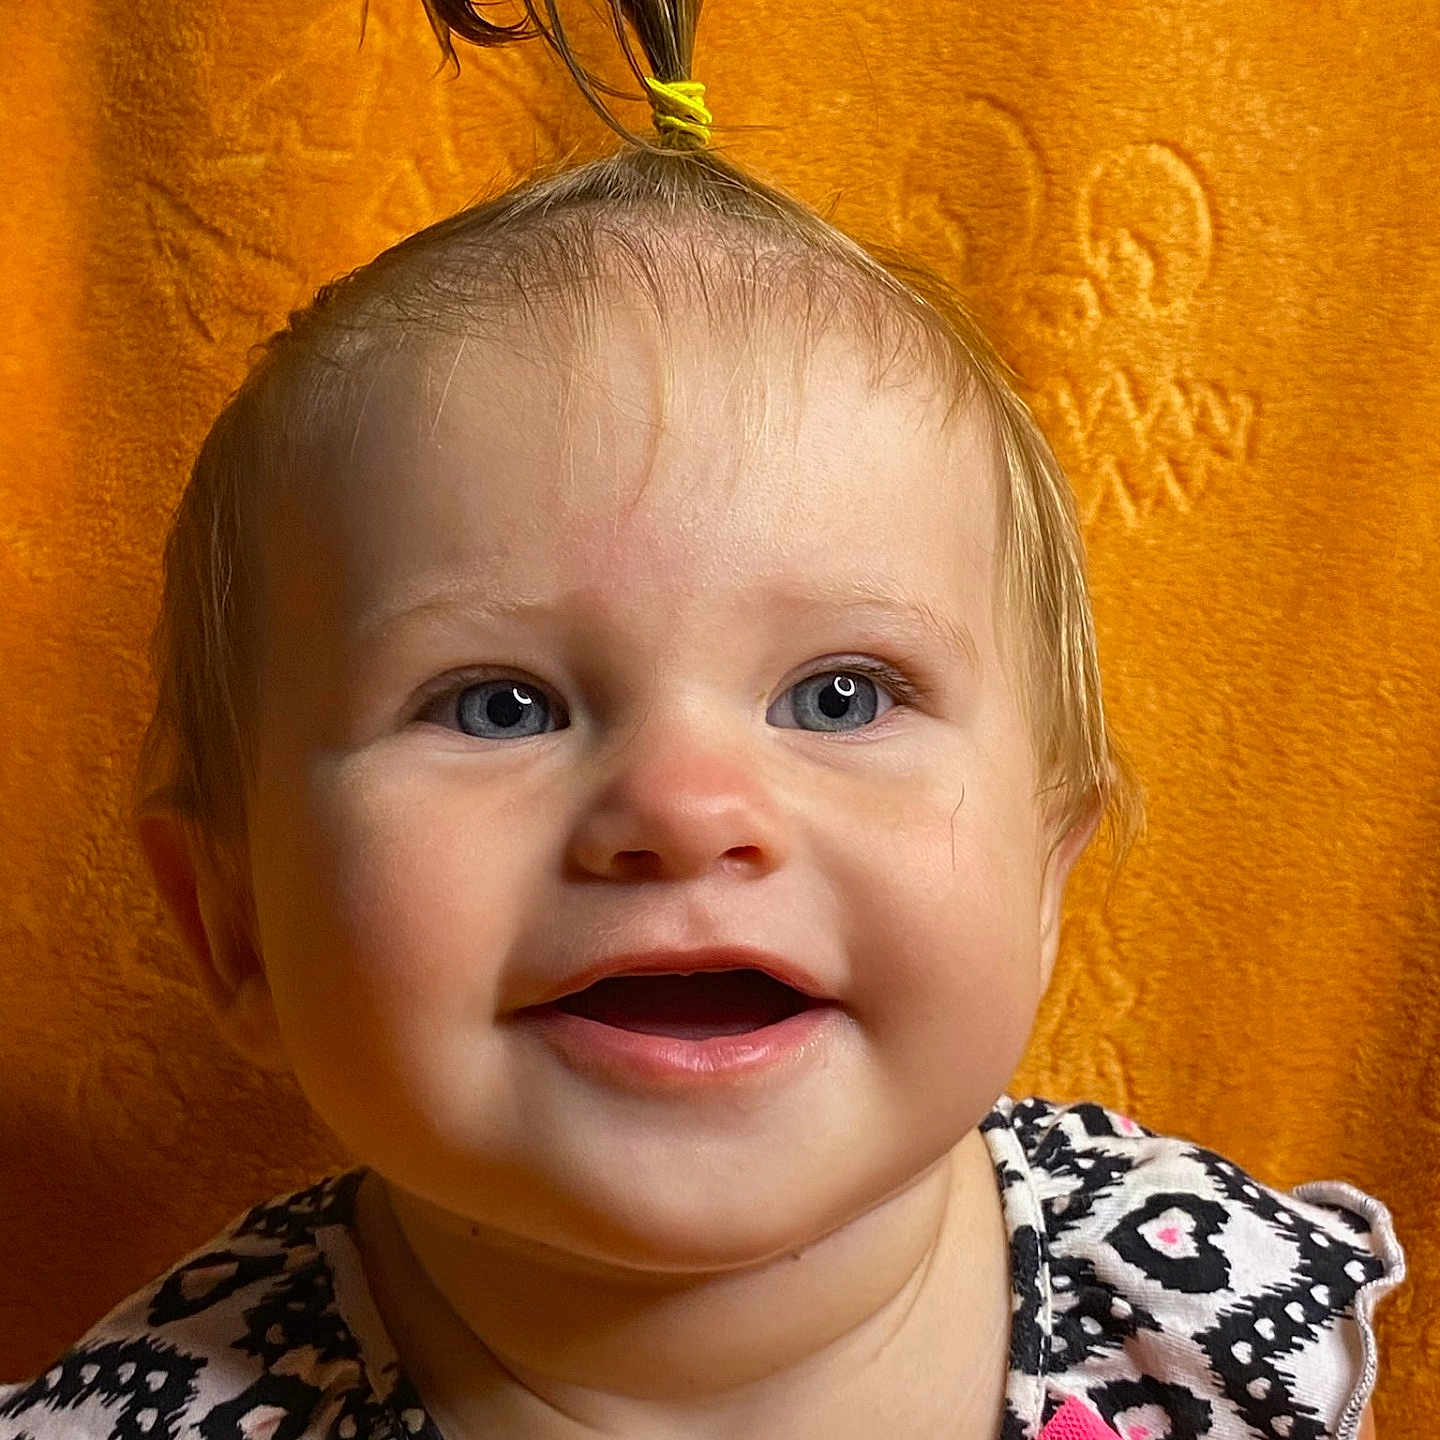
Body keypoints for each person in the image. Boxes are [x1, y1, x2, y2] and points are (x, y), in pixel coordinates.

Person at [0, 1, 1405, 1436]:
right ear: (228, 920)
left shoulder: (1198, 1304)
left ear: (1050, 874)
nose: (682, 805)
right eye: (498, 707)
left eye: (840, 696)